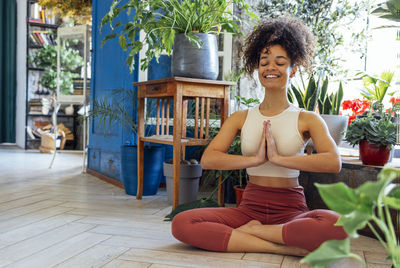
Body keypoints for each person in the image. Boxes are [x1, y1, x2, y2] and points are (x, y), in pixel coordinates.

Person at [171, 17, 347, 256]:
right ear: (257, 69)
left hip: (291, 210)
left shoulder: (306, 118)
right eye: (264, 62)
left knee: (339, 225)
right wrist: (255, 160)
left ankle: (256, 233)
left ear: (292, 70)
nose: (270, 67)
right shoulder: (241, 118)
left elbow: (332, 162)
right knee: (182, 223)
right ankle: (279, 246)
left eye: (279, 62)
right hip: (248, 210)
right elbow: (210, 159)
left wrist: (278, 158)